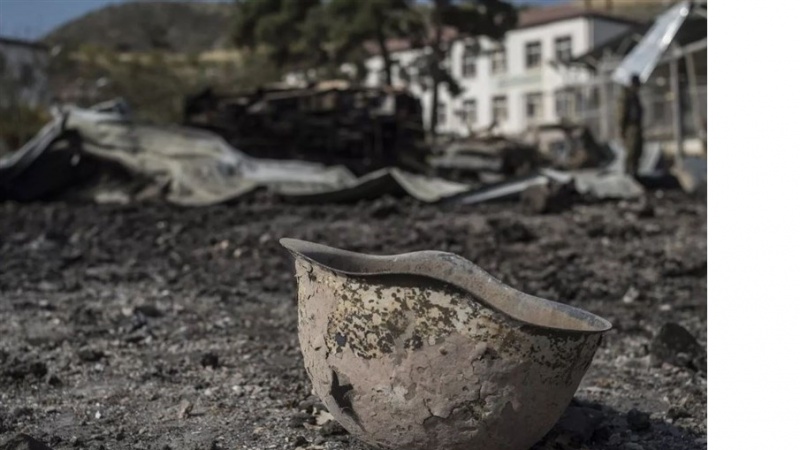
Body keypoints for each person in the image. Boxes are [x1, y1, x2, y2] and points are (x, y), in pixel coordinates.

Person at [617, 74, 644, 176]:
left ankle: (634, 172)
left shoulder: (635, 97)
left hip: (636, 126)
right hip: (630, 127)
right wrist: (622, 130)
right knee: (631, 151)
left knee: (637, 151)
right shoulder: (626, 96)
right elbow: (622, 114)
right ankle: (628, 173)